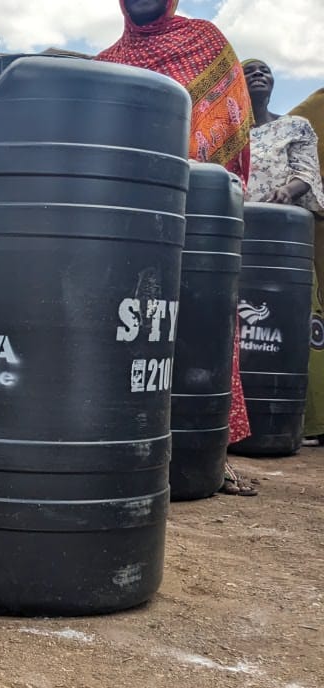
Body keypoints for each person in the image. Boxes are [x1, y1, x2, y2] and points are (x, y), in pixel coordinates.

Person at [96, 0, 255, 492]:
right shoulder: (106, 64)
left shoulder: (205, 42)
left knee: (200, 327)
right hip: (127, 221)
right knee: (127, 335)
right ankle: (116, 448)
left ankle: (205, 454)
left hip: (195, 212)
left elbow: (231, 128)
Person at [96, 0, 253, 184]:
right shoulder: (105, 64)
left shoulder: (204, 39)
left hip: (194, 188)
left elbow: (229, 119)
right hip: (115, 187)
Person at [283, 84, 324, 446]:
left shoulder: (299, 119)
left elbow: (307, 175)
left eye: (265, 70)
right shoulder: (308, 111)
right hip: (296, 236)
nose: (258, 77)